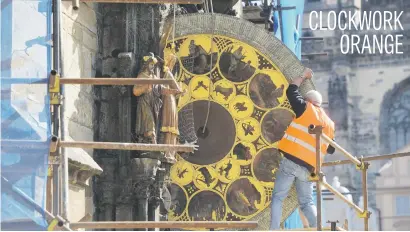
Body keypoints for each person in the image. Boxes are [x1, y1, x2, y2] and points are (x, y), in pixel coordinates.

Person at [270, 68, 336, 230]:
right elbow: (331, 150)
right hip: (309, 170)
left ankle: (273, 230)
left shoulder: (305, 107)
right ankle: (318, 228)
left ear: (308, 100)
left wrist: (303, 76)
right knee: (307, 202)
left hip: (291, 162)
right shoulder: (329, 124)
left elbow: (291, 90)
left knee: (278, 198)